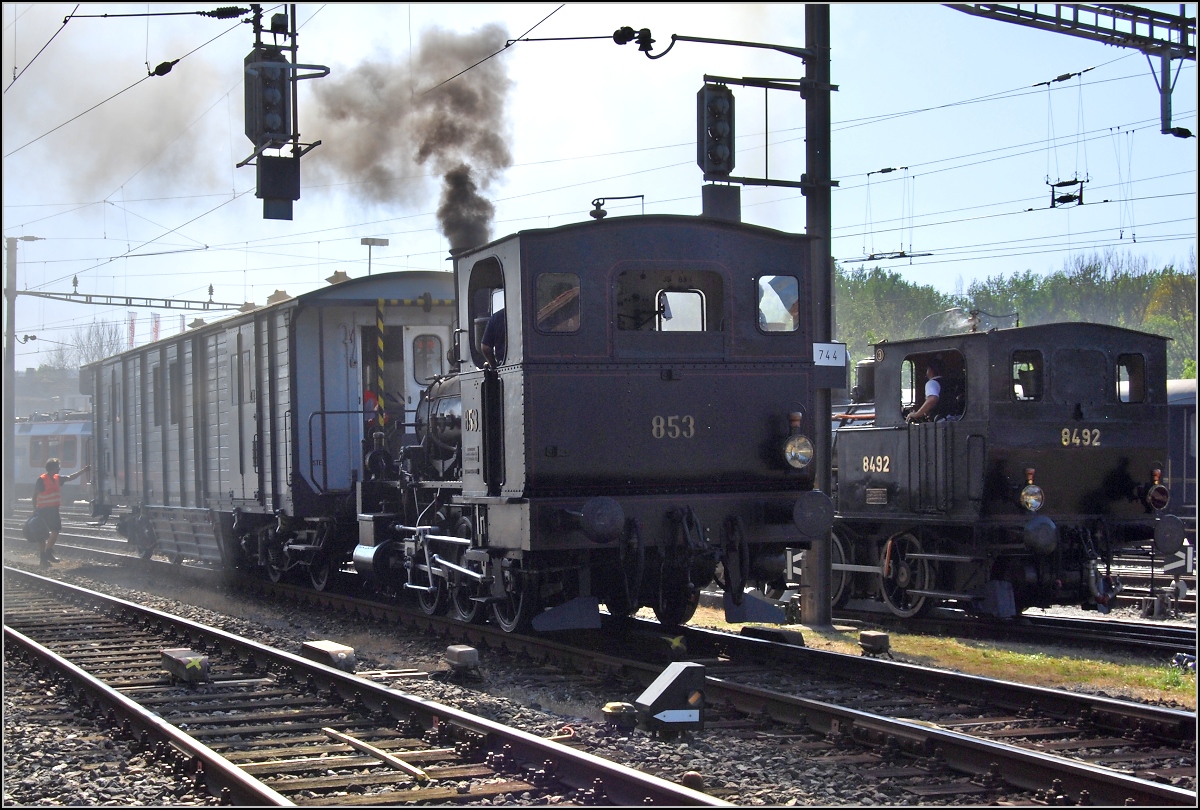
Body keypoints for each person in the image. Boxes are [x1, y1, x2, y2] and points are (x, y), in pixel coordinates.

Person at [34, 458, 90, 566]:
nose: (59, 468)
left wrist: (83, 471)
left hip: (53, 510)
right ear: (53, 467)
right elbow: (34, 495)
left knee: (55, 531)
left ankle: (48, 551)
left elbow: (70, 477)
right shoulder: (41, 480)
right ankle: (43, 558)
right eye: (58, 467)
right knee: (42, 535)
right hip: (42, 510)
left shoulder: (57, 478)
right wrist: (34, 510)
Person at [906, 358, 943, 423]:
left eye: (927, 370)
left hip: (938, 422)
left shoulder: (931, 383)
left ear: (930, 371)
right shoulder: (946, 382)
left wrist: (917, 414)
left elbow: (932, 399)